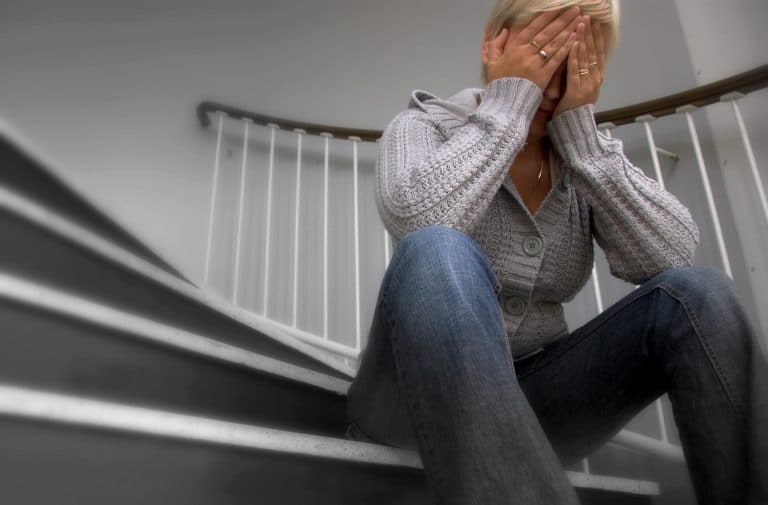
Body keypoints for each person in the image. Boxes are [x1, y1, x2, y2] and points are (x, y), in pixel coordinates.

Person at [346, 1, 768, 503]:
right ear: (495, 44)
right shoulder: (423, 127)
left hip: (540, 399)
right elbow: (418, 217)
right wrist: (507, 109)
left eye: (575, 68)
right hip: (405, 396)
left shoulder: (578, 159)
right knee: (437, 246)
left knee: (700, 294)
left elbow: (673, 254)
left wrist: (585, 149)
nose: (553, 87)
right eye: (544, 55)